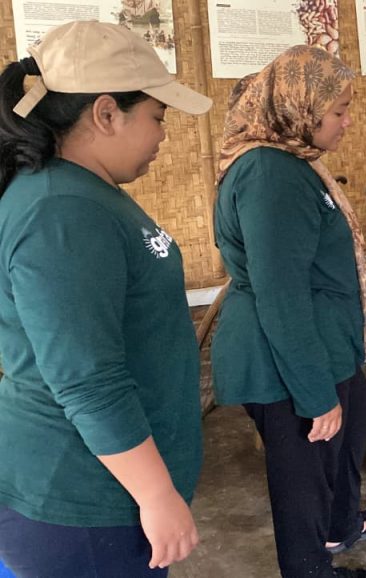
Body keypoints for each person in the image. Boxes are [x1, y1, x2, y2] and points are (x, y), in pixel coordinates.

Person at [0, 21, 212, 577]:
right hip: (84, 503)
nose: (163, 135)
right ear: (106, 113)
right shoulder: (61, 211)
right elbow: (86, 378)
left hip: (105, 490)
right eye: (157, 117)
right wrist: (157, 494)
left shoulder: (82, 193)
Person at [213, 45, 366, 578]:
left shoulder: (290, 162)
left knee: (354, 420)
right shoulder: (270, 174)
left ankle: (337, 527)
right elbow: (282, 296)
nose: (347, 121)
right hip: (284, 357)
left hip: (317, 340)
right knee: (303, 478)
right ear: (300, 109)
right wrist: (315, 395)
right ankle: (310, 568)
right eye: (339, 110)